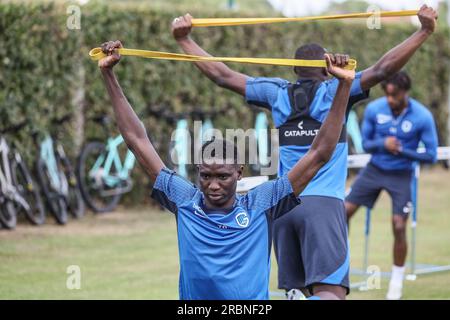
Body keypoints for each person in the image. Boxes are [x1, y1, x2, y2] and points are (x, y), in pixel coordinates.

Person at [171, 4, 438, 300]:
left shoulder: (276, 93)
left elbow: (222, 75)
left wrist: (185, 40)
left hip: (283, 208)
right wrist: (423, 31)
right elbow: (384, 69)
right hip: (324, 206)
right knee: (331, 294)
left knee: (296, 292)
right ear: (327, 68)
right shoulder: (337, 89)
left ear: (294, 69)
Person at [98, 40, 354, 300]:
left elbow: (319, 153)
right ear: (198, 172)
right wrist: (108, 74)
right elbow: (137, 140)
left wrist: (343, 86)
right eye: (206, 176)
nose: (213, 185)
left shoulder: (262, 203)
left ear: (239, 173)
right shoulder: (184, 199)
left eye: (223, 176)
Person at [345, 71, 438, 300]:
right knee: (342, 212)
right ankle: (339, 267)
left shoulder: (422, 116)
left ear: (405, 93)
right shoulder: (375, 109)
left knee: (398, 225)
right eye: (387, 94)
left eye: (395, 95)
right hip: (375, 169)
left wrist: (402, 151)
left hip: (401, 174)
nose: (390, 99)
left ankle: (396, 283)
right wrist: (383, 144)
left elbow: (432, 155)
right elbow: (366, 143)